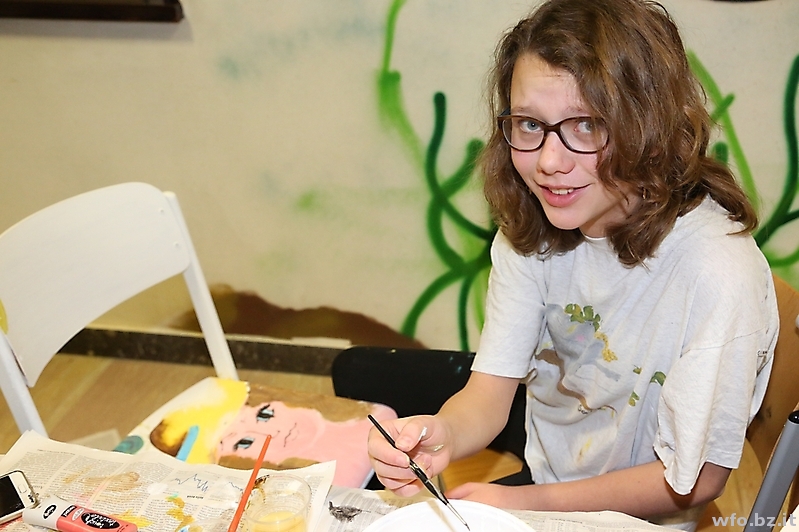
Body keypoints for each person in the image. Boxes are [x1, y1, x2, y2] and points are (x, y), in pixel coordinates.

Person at [366, 0, 779, 530]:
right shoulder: (531, 227)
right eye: (529, 124)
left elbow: (695, 482)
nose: (549, 162)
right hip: (549, 487)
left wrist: (526, 503)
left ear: (649, 126)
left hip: (643, 520)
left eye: (585, 125)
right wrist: (442, 435)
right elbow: (489, 395)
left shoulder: (717, 273)